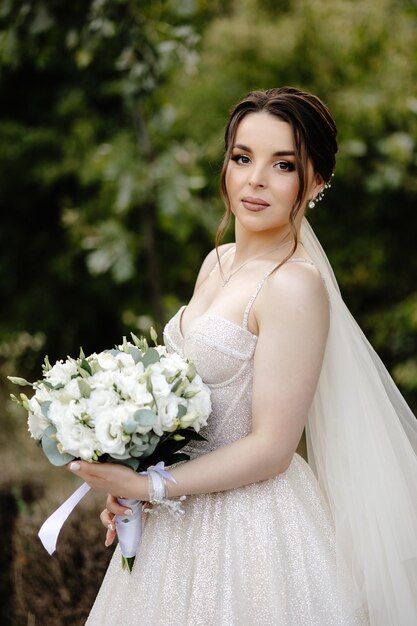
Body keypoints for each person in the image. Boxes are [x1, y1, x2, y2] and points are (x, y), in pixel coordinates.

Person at [68, 87, 417, 625]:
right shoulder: (218, 261)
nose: (255, 179)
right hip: (177, 514)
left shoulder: (293, 286)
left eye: (283, 164)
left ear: (316, 182)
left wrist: (150, 484)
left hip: (251, 525)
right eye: (241, 157)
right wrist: (133, 469)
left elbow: (273, 446)